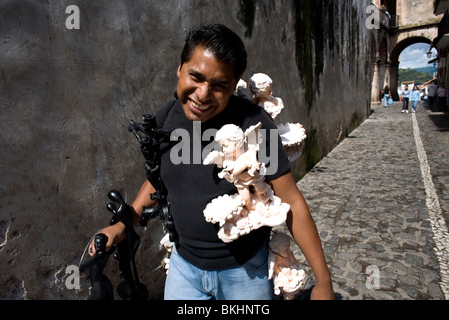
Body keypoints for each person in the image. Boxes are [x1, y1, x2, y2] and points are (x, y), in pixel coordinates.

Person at [88, 24, 334, 300]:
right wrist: (126, 221)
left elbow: (293, 202)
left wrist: (323, 283)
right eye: (196, 76)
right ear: (179, 70)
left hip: (245, 273)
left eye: (219, 86)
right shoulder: (167, 117)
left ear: (233, 86)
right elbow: (158, 180)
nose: (203, 94)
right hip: (184, 272)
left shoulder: (253, 124)